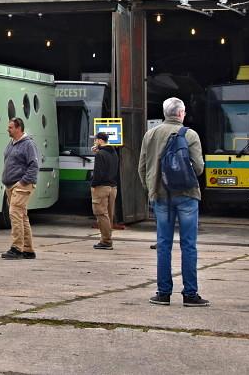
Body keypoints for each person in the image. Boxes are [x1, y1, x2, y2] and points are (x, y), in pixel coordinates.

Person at [137, 97, 210, 307]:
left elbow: (142, 167)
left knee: (163, 244)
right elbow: (198, 167)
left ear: (165, 113)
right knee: (188, 245)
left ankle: (163, 293)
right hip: (187, 195)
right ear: (180, 113)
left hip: (160, 196)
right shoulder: (190, 134)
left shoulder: (150, 135)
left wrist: (151, 189)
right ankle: (190, 294)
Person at [1, 117, 40, 260]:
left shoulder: (28, 144)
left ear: (19, 128)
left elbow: (34, 166)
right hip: (10, 185)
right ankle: (28, 250)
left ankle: (16, 248)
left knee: (14, 213)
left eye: (10, 127)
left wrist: (23, 182)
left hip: (21, 185)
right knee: (22, 216)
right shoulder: (11, 143)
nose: (8, 129)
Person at [90, 131, 120, 250]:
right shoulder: (113, 152)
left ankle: (106, 241)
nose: (94, 142)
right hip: (113, 187)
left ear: (100, 141)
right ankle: (106, 238)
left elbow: (98, 172)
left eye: (96, 140)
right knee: (108, 214)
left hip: (101, 187)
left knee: (101, 214)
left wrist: (93, 185)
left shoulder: (100, 155)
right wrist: (98, 151)